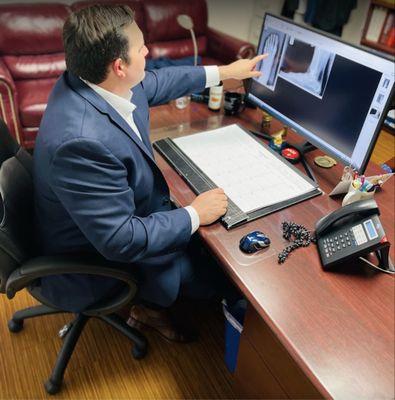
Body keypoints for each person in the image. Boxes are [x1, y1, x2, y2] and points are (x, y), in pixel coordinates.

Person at [34, 4, 266, 341]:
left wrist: (223, 71)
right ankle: (148, 308)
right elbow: (120, 240)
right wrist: (194, 214)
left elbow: (158, 80)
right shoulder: (81, 142)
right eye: (141, 47)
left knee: (209, 244)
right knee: (217, 276)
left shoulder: (94, 80)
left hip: (108, 216)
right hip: (93, 257)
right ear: (119, 66)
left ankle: (158, 298)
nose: (148, 52)